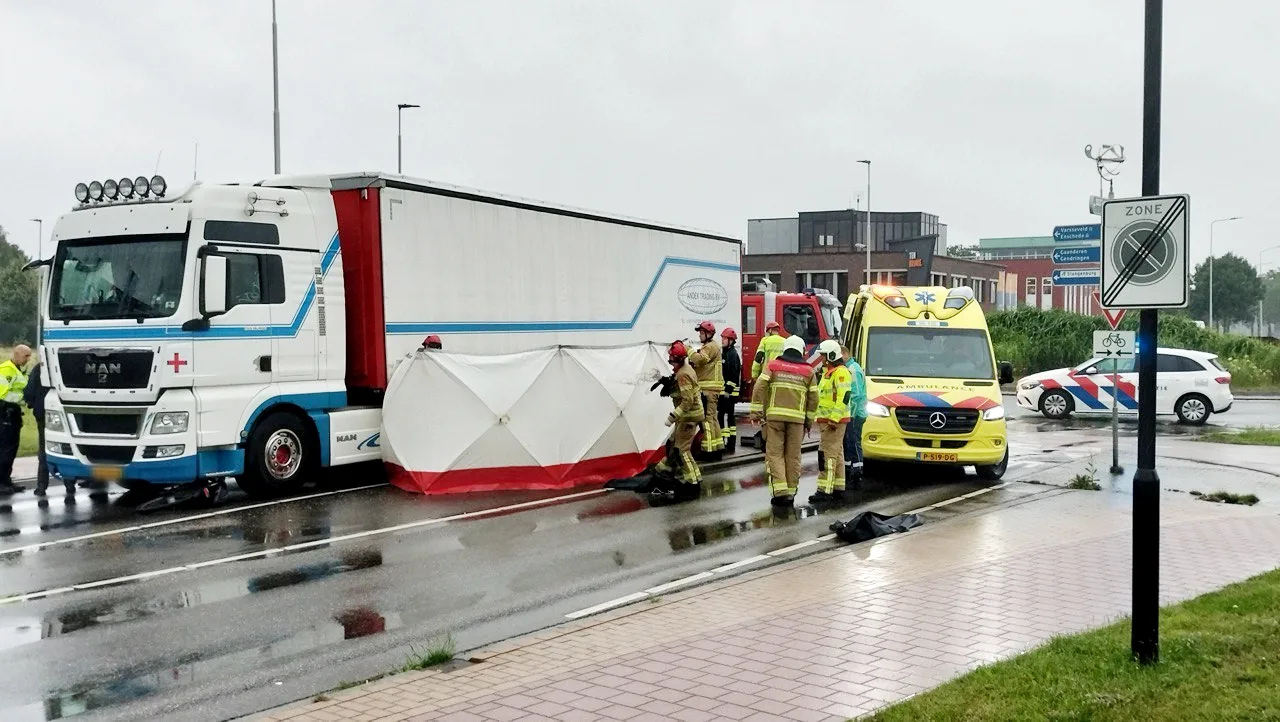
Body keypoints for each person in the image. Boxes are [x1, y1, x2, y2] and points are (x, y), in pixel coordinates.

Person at [749, 335, 817, 507]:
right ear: (801, 350)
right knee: (793, 456)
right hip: (797, 420)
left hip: (775, 419)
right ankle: (791, 493)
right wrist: (808, 423)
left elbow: (759, 387)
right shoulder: (809, 371)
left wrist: (756, 412)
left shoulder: (772, 365)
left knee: (775, 455)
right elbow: (813, 399)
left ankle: (780, 493)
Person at [651, 341, 704, 502]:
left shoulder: (684, 374)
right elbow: (679, 387)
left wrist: (672, 416)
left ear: (677, 359)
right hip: (687, 417)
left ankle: (692, 482)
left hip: (688, 417)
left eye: (671, 359)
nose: (670, 362)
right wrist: (665, 381)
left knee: (682, 451)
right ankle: (666, 473)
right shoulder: (683, 370)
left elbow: (687, 401)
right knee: (673, 446)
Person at [810, 340, 853, 504]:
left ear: (831, 356)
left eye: (823, 356)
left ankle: (824, 490)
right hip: (829, 420)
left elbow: (844, 396)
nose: (821, 359)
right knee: (837, 454)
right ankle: (838, 487)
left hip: (833, 422)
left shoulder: (840, 372)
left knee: (827, 454)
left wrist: (834, 418)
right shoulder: (830, 372)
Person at [24, 361, 67, 497]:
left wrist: (31, 403)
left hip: (42, 413)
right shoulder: (63, 364)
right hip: (64, 413)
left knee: (44, 450)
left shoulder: (39, 368)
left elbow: (29, 390)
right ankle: (69, 485)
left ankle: (41, 486)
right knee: (65, 449)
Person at [0, 345, 33, 496]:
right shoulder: (6, 370)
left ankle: (6, 481)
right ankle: (1, 483)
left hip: (13, 413)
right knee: (5, 449)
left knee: (11, 449)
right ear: (17, 354)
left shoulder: (19, 370)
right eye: (26, 356)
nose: (28, 359)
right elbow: (3, 394)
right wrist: (23, 399)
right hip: (4, 413)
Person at [687, 321, 724, 455]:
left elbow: (700, 360)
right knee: (712, 418)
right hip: (712, 389)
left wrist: (688, 350)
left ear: (709, 334)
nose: (700, 336)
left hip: (707, 390)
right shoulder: (713, 346)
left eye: (702, 333)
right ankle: (718, 447)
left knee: (707, 420)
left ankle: (708, 450)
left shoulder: (710, 347)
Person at [842, 344, 868, 487]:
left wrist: (850, 413)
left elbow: (856, 394)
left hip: (856, 413)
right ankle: (850, 468)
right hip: (856, 412)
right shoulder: (853, 368)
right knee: (849, 442)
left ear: (845, 354)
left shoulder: (852, 370)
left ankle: (857, 471)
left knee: (854, 442)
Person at [718, 328, 742, 453]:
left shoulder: (732, 355)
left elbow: (733, 374)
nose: (722, 340)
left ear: (731, 341)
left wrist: (728, 389)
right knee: (724, 417)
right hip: (726, 392)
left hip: (729, 393)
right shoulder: (726, 352)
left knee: (726, 417)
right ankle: (726, 442)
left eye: (724, 338)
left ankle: (729, 443)